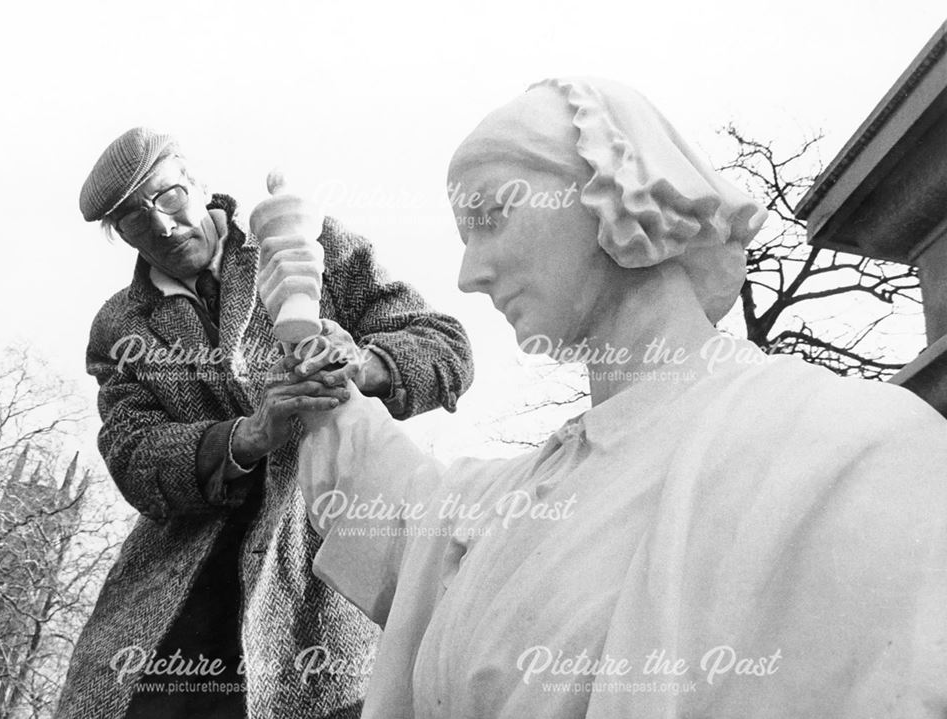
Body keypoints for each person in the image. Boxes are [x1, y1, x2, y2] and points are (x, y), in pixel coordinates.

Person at [277, 78, 947, 718]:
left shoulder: (851, 448)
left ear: (609, 191)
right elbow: (411, 523)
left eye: (490, 216)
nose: (469, 274)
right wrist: (323, 372)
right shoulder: (519, 491)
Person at [56, 127, 474, 719]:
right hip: (179, 591)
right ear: (119, 234)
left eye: (170, 197)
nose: (165, 227)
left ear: (198, 183)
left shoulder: (312, 241)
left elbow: (445, 348)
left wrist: (362, 364)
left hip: (322, 569)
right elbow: (134, 455)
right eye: (133, 220)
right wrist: (249, 436)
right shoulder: (120, 325)